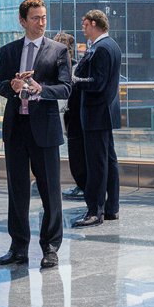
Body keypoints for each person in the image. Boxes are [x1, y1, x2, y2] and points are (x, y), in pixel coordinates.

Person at [0, 0, 71, 269]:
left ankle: (50, 247)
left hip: (45, 129)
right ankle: (18, 248)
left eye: (43, 17)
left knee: (50, 190)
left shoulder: (58, 50)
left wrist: (41, 89)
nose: (42, 22)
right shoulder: (8, 51)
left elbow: (66, 88)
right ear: (22, 21)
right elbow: (1, 87)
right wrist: (13, 85)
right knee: (17, 191)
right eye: (36, 18)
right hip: (17, 128)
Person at [72, 10, 122, 227]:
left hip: (96, 113)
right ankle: (111, 208)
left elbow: (97, 83)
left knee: (97, 164)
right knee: (108, 161)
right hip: (105, 113)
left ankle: (95, 211)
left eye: (84, 25)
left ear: (94, 23)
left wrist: (75, 80)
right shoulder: (111, 45)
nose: (83, 29)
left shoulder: (101, 48)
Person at [53, 32, 87, 199]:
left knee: (77, 153)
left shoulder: (74, 69)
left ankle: (82, 184)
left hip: (72, 117)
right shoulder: (62, 67)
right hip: (64, 116)